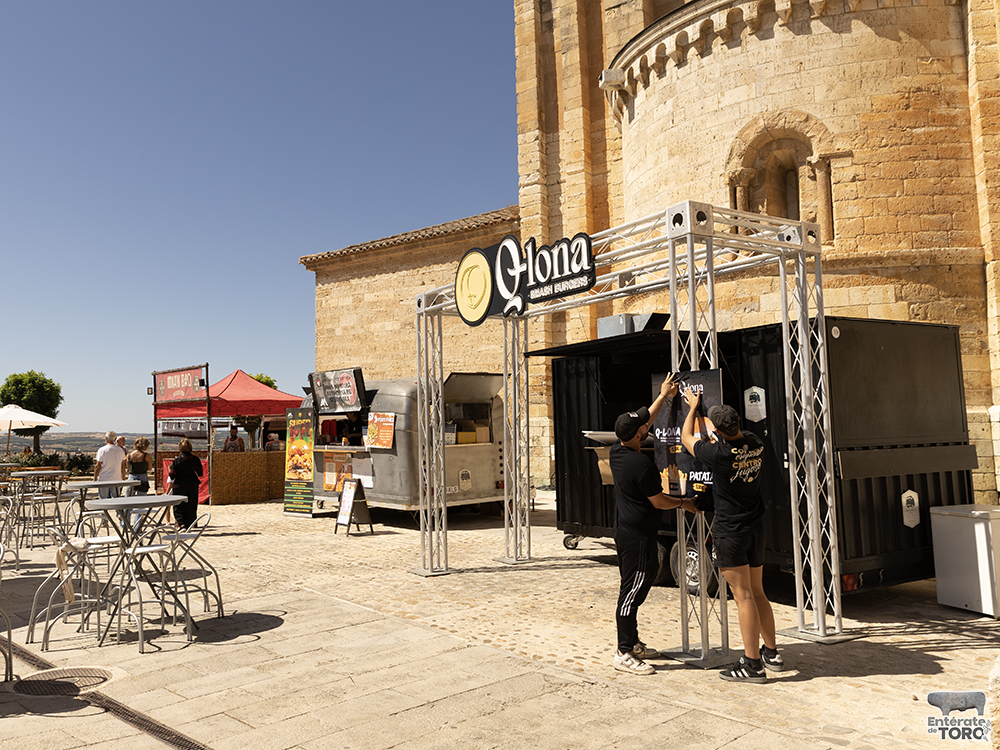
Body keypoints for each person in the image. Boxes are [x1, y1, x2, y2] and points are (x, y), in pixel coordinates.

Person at [680, 387, 783, 684]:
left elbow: (688, 439)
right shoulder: (754, 442)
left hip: (731, 531)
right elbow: (722, 428)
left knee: (743, 596)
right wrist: (709, 415)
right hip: (755, 527)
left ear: (719, 433)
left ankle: (752, 664)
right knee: (758, 591)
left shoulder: (718, 454)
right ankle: (771, 653)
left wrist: (692, 410)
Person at [610, 373, 701, 676]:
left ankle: (632, 642)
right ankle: (623, 652)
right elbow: (659, 501)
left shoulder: (619, 451)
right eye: (643, 426)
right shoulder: (640, 464)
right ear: (638, 435)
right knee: (630, 591)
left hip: (635, 533)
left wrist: (663, 396)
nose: (647, 425)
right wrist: (683, 503)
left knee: (642, 579)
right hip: (635, 537)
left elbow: (644, 418)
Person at [165, 438, 202, 529]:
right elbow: (200, 473)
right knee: (192, 504)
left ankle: (181, 524)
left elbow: (172, 475)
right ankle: (191, 523)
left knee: (178, 505)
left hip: (179, 485)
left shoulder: (177, 461)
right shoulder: (196, 459)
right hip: (193, 484)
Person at [93, 430, 127, 498]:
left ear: (106, 438)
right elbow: (122, 466)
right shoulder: (120, 450)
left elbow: (98, 466)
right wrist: (123, 478)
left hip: (104, 479)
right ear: (115, 439)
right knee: (116, 500)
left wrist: (95, 478)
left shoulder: (102, 450)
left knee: (103, 500)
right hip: (117, 479)